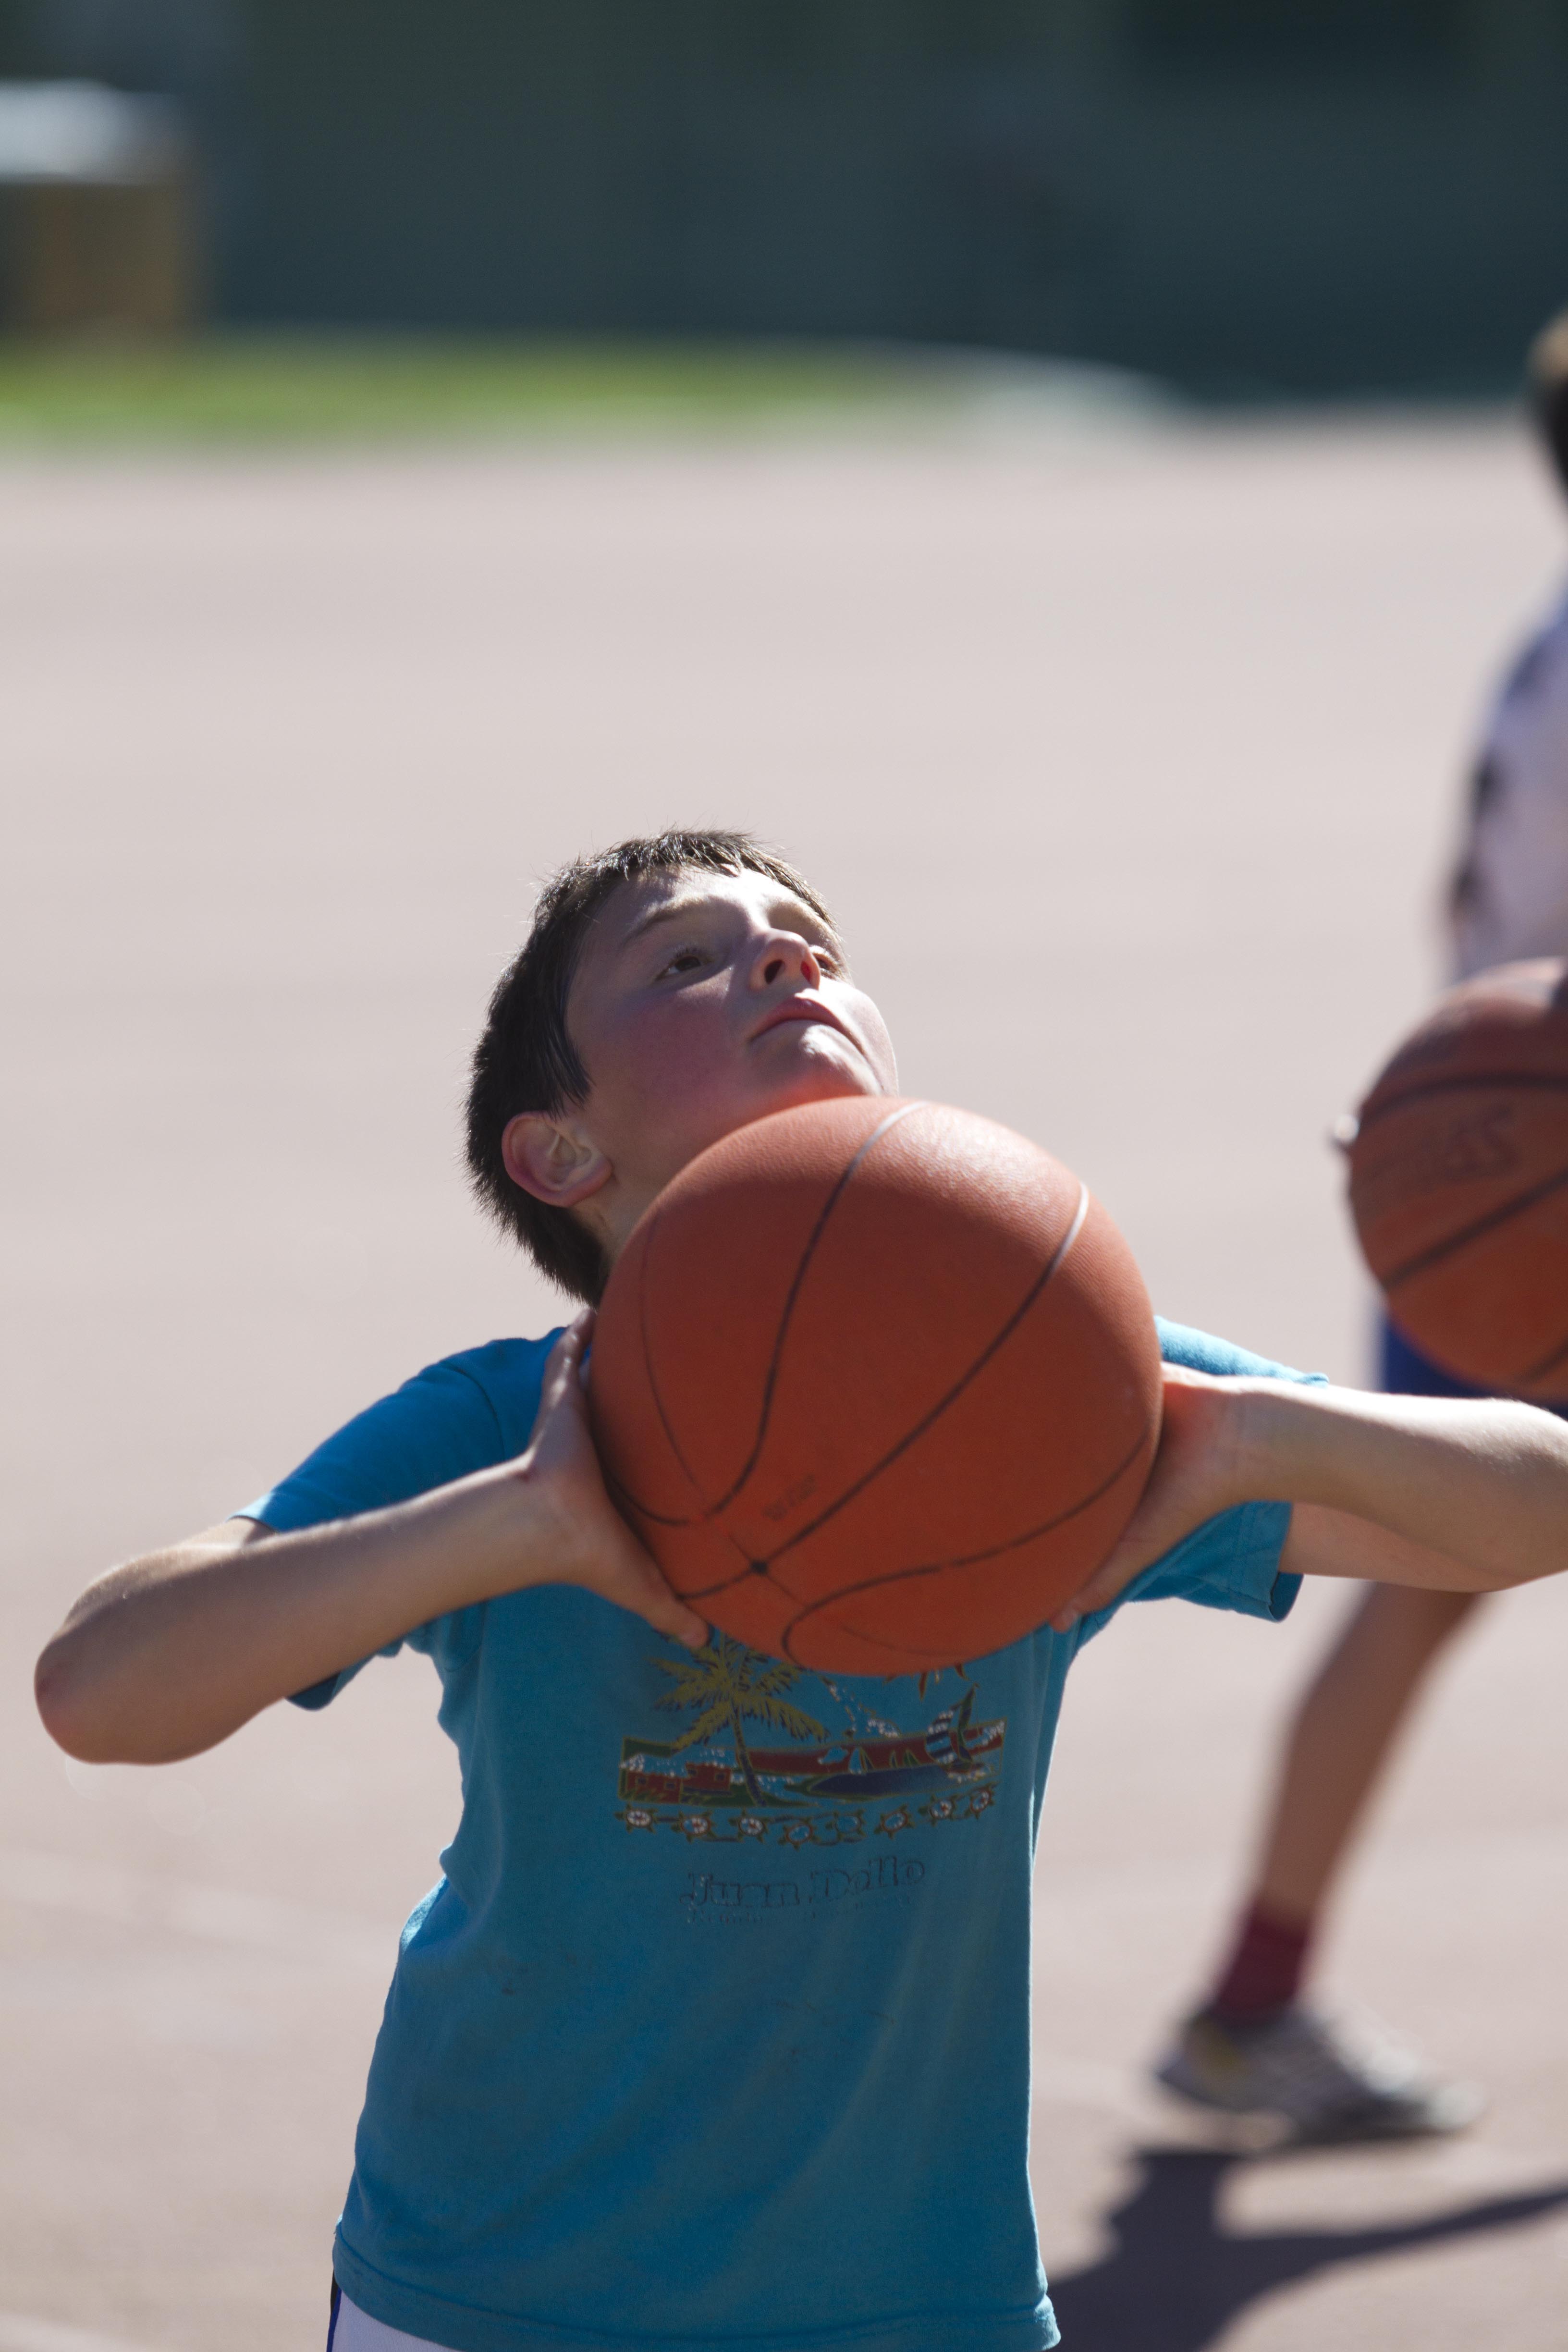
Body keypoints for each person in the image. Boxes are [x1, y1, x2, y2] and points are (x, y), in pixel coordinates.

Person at [34, 828, 1568, 2352]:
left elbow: (1534, 1505)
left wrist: (1248, 1435)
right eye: (685, 962)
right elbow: (99, 1691)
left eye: (810, 941)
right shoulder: (514, 1426)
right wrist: (513, 1530)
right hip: (496, 2292)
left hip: (923, 2301)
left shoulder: (1058, 1392)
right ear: (562, 1151)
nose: (782, 958)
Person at [1154, 307, 1568, 2144]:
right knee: (1414, 1591)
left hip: (1487, 1193)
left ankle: (1253, 1998)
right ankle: (1249, 2005)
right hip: (1524, 1203)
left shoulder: (1541, 653)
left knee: (1412, 1598)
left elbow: (1472, 936)